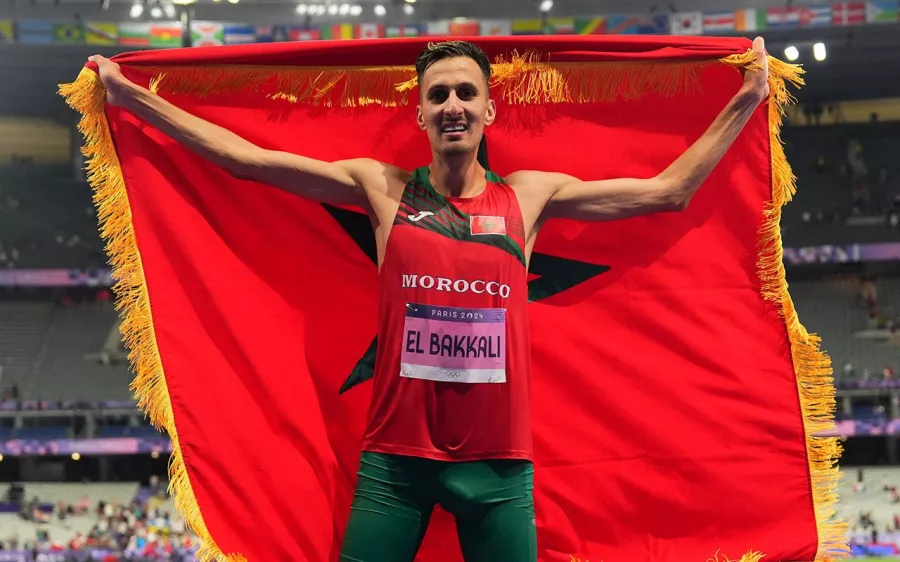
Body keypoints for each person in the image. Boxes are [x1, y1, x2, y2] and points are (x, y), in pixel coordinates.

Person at [88, 36, 770, 562]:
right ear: (418, 111)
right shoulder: (382, 188)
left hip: (499, 467)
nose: (453, 106)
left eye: (466, 94)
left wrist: (746, 98)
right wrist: (130, 97)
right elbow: (247, 161)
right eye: (439, 94)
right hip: (397, 465)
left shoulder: (529, 197)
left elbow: (670, 191)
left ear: (488, 110)